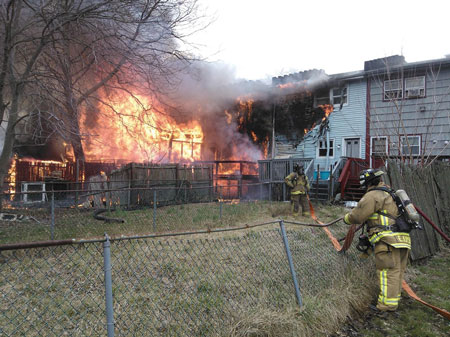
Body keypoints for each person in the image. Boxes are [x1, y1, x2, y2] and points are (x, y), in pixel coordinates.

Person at [343, 168, 411, 313]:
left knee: (387, 272)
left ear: (366, 183)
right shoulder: (390, 193)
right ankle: (394, 300)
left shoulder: (373, 195)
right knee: (397, 272)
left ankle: (386, 306)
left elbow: (357, 216)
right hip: (403, 239)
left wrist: (346, 218)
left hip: (387, 241)